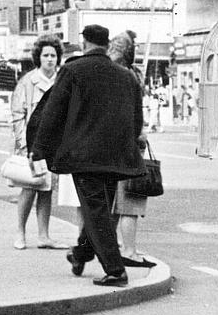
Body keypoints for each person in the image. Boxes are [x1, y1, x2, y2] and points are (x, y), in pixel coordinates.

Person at [29, 23, 144, 287]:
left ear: (84, 43)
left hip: (84, 157)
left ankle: (116, 271)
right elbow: (136, 121)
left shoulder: (72, 70)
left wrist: (39, 149)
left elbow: (53, 113)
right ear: (106, 44)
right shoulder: (126, 76)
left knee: (95, 211)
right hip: (117, 157)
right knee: (100, 210)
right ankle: (80, 253)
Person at [109, 32, 157, 270]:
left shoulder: (107, 74)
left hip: (111, 148)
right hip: (129, 147)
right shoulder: (130, 76)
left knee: (116, 203)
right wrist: (140, 135)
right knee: (131, 201)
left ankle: (107, 248)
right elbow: (132, 115)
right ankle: (129, 251)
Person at [8, 37, 62, 249]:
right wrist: (23, 144)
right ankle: (20, 233)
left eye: (53, 55)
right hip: (31, 143)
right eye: (46, 55)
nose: (50, 59)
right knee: (29, 187)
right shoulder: (27, 81)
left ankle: (43, 235)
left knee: (46, 189)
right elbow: (17, 114)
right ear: (38, 57)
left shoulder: (60, 80)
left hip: (53, 144)